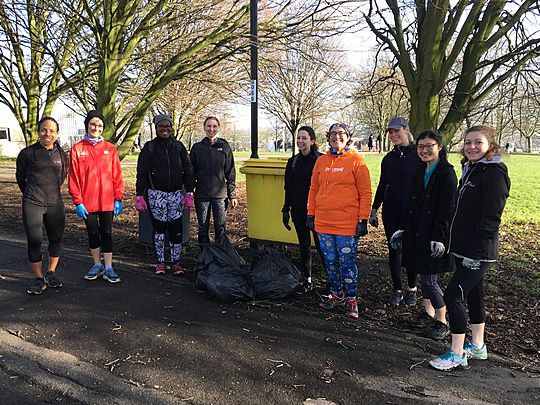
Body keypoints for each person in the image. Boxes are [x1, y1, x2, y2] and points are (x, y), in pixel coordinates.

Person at [430, 125, 510, 371]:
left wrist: (476, 252)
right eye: (468, 143)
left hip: (479, 251)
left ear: (490, 146)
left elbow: (491, 218)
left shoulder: (494, 174)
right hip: (463, 249)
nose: (472, 147)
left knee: (453, 295)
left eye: (478, 142)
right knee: (474, 294)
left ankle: (457, 353)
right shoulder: (472, 170)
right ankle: (477, 346)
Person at [391, 130, 457, 340]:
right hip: (417, 232)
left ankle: (442, 320)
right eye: (421, 147)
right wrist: (402, 227)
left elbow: (447, 208)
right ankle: (427, 313)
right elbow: (411, 203)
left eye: (429, 146)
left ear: (439, 147)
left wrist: (439, 237)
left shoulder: (446, 173)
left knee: (429, 280)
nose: (425, 150)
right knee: (421, 273)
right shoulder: (420, 170)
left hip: (434, 234)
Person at [307, 123, 372, 319]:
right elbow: (313, 189)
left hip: (347, 224)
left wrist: (363, 219)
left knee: (346, 262)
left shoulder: (356, 161)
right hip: (323, 223)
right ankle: (336, 293)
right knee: (330, 261)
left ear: (348, 137)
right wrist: (311, 214)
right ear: (328, 137)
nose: (337, 137)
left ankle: (351, 298)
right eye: (333, 134)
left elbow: (365, 192)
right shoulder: (321, 161)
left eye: (341, 134)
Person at [369, 117, 422, 306]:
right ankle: (397, 289)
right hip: (391, 210)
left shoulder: (418, 155)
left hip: (412, 211)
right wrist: (374, 209)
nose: (393, 135)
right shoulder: (388, 159)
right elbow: (383, 184)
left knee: (411, 250)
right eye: (390, 133)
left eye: (396, 131)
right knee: (394, 250)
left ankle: (412, 288)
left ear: (406, 130)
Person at [69, 110, 124, 283]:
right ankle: (96, 264)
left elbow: (116, 175)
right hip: (87, 202)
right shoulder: (77, 149)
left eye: (100, 125)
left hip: (107, 201)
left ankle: (108, 267)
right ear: (87, 125)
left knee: (106, 233)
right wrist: (78, 201)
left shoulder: (110, 149)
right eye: (93, 124)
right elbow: (74, 177)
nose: (96, 128)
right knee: (93, 233)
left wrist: (118, 198)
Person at [16, 117, 69, 295]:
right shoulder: (27, 153)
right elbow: (20, 177)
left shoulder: (62, 154)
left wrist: (50, 193)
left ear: (57, 133)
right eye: (44, 130)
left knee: (56, 240)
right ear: (38, 132)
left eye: (52, 130)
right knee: (34, 242)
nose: (48, 134)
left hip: (55, 203)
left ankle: (51, 273)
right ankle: (38, 278)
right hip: (33, 203)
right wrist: (31, 193)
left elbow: (62, 177)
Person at [135, 114, 194, 275]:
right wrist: (139, 195)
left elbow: (188, 170)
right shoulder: (149, 147)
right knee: (159, 230)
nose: (165, 129)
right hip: (156, 195)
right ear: (156, 129)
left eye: (167, 126)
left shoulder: (179, 147)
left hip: (176, 195)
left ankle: (176, 262)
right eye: (161, 126)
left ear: (172, 128)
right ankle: (160, 262)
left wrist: (189, 192)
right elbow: (141, 172)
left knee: (176, 229)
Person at [282, 125, 325, 294]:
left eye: (304, 138)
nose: (300, 141)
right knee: (303, 244)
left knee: (322, 246)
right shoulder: (293, 162)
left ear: (312, 141)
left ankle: (331, 280)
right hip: (298, 209)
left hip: (318, 210)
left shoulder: (320, 160)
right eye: (298, 138)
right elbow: (288, 187)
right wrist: (286, 208)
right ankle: (307, 279)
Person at [189, 116, 237, 246]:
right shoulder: (197, 148)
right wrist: (189, 191)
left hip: (220, 196)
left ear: (218, 128)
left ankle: (220, 257)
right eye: (209, 126)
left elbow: (230, 172)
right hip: (202, 195)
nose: (211, 129)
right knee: (203, 228)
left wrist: (232, 194)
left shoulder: (225, 147)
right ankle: (205, 257)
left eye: (214, 126)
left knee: (220, 228)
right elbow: (191, 172)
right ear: (204, 127)